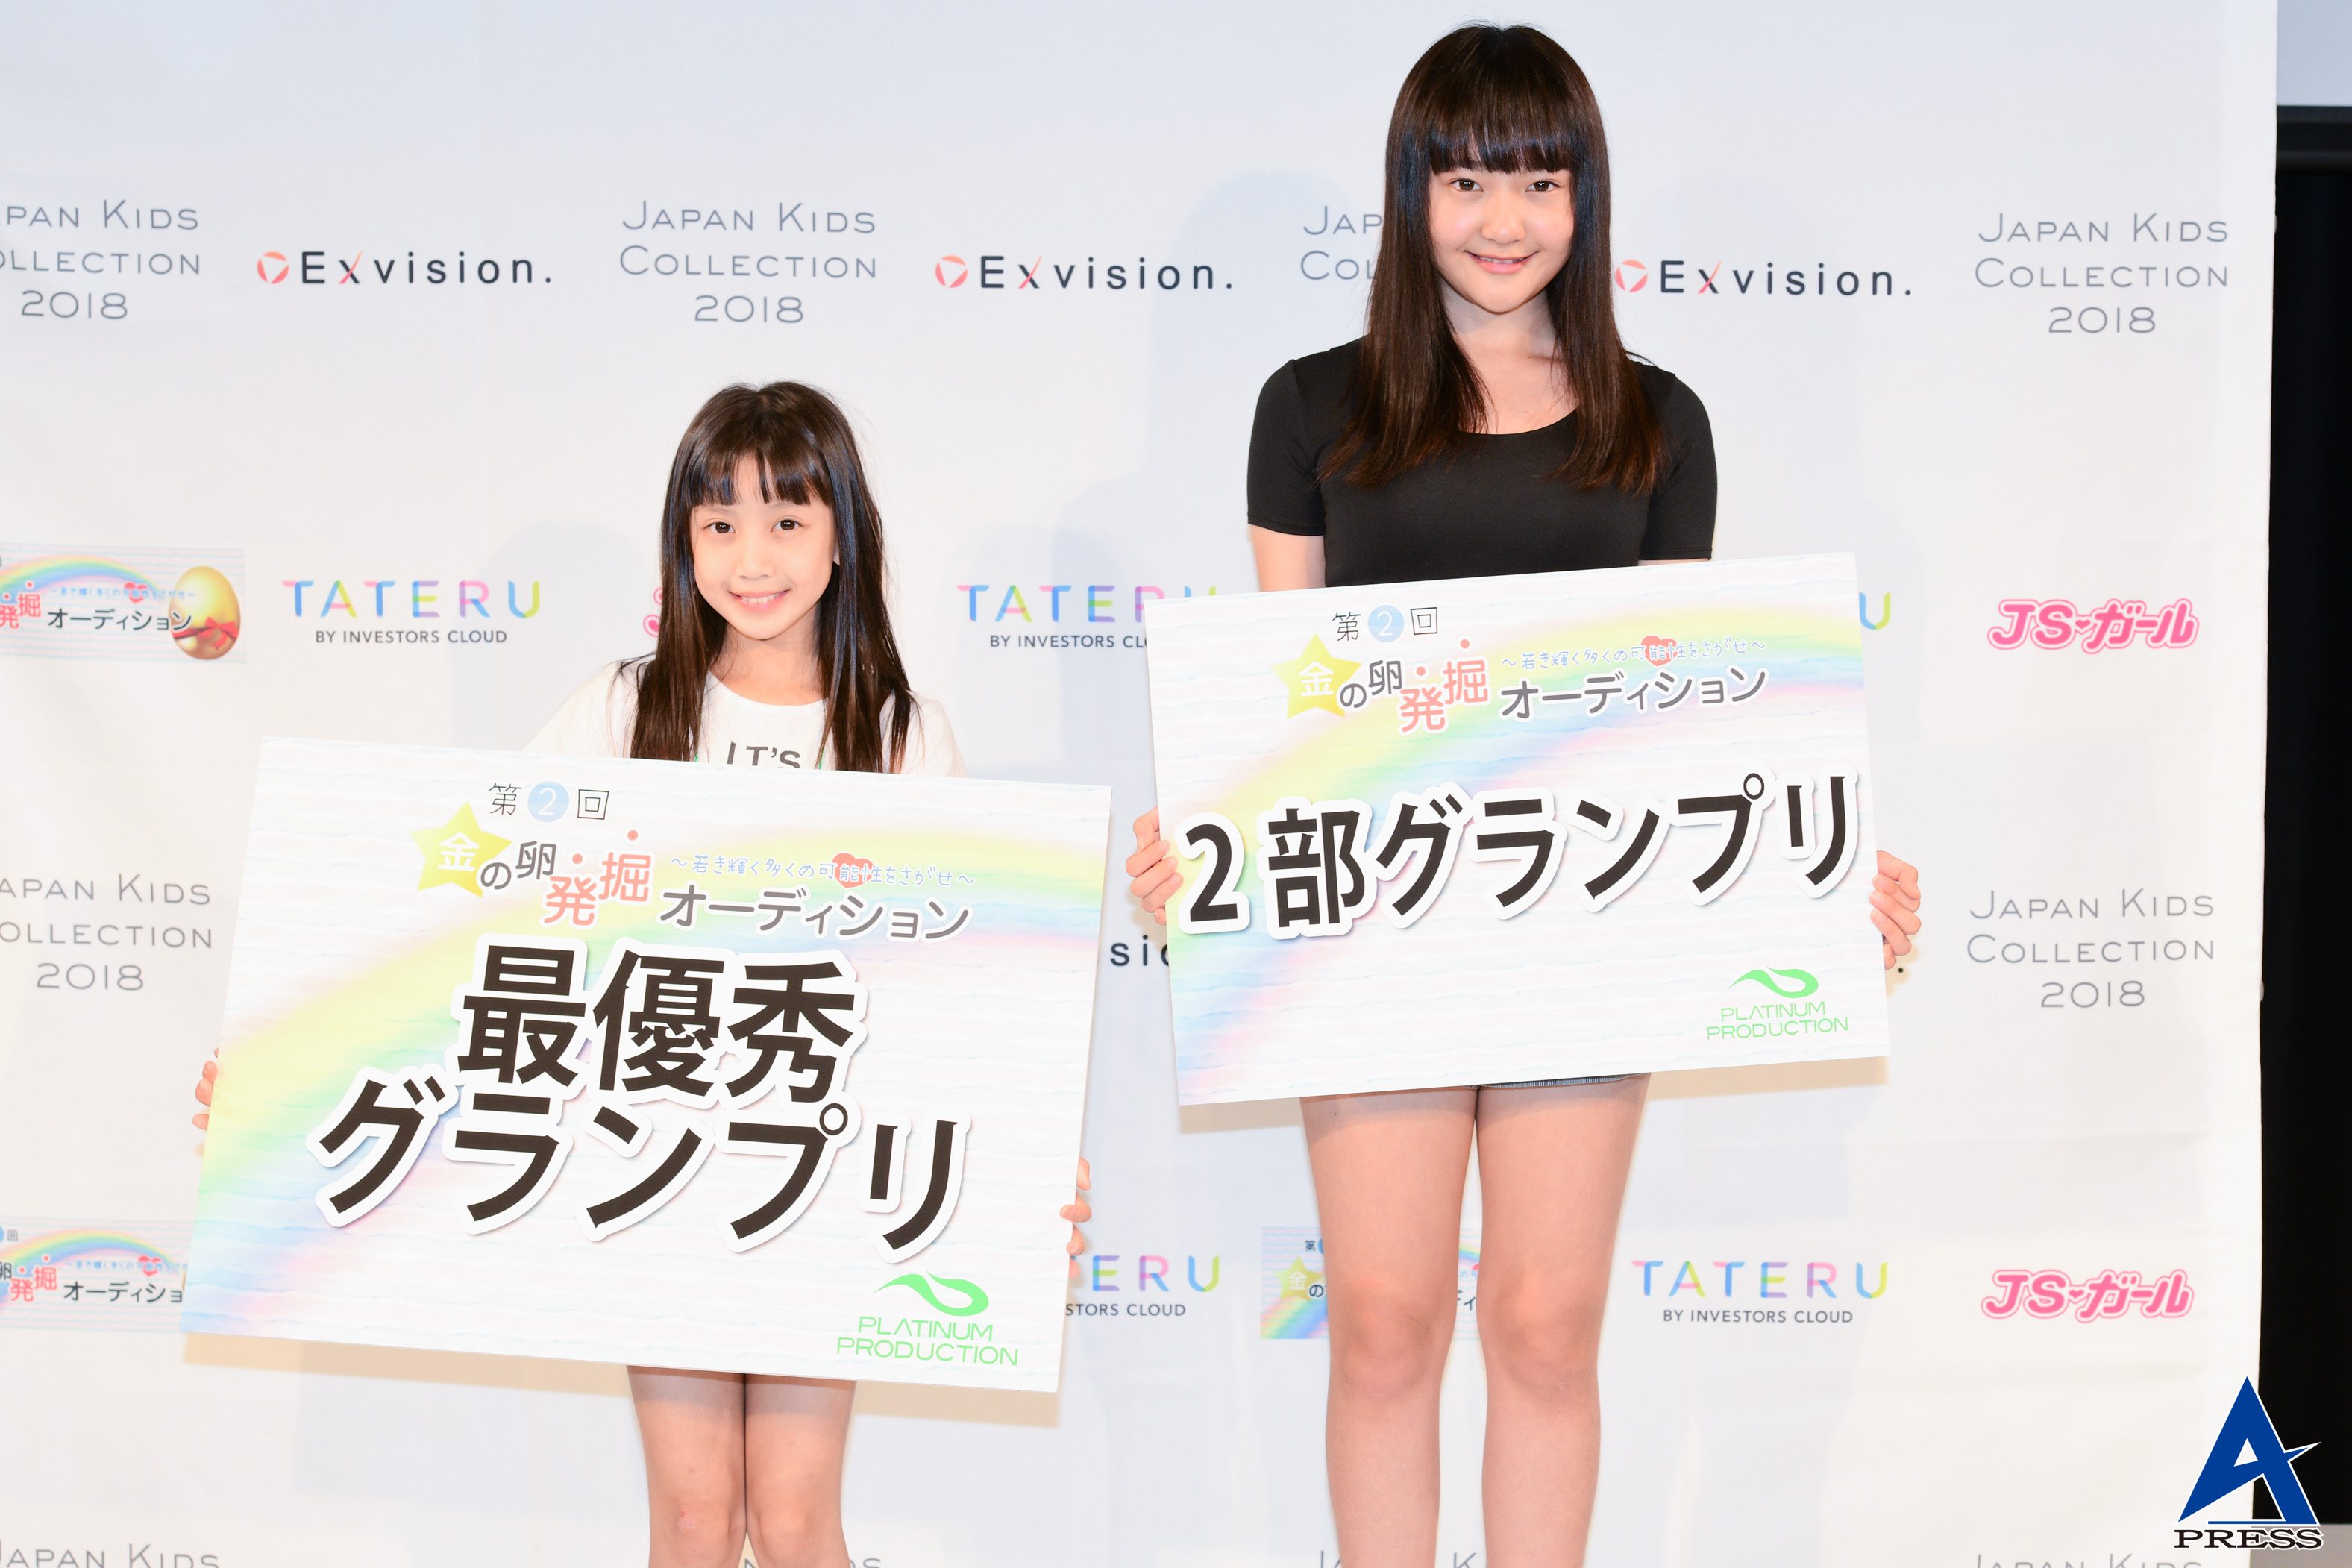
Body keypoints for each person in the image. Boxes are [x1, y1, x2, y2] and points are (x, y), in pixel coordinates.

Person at [1124, 26, 1922, 1568]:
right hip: (1374, 923)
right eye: (1469, 179)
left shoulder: (1657, 421)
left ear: (1584, 198)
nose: (1504, 219)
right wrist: (1206, 840)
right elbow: (1285, 696)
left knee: (1547, 1326)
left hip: (1578, 920)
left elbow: (1680, 712)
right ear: (1410, 191)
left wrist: (1818, 878)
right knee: (1381, 1322)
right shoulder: (1310, 407)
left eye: (1540, 181)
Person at [197, 381, 1092, 1568]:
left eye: (786, 521)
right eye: (719, 524)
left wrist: (1023, 1162)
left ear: (844, 536)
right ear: (683, 541)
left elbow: (963, 992)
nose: (752, 558)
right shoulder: (622, 709)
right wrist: (286, 1074)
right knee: (692, 1518)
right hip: (661, 1149)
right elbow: (467, 920)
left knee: (796, 1519)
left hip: (813, 1154)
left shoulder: (901, 734)